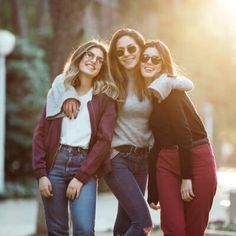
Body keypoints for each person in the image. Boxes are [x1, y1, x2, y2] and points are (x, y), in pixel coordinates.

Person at [60, 29, 194, 236]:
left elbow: (182, 82)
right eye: (120, 51)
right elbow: (76, 78)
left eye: (132, 48)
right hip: (117, 158)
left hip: (143, 160)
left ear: (141, 49)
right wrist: (70, 95)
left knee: (124, 226)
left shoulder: (152, 78)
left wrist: (179, 81)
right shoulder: (111, 78)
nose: (127, 54)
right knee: (143, 223)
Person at [32, 41, 118, 236]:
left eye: (99, 60)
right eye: (89, 55)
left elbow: (104, 142)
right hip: (54, 165)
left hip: (84, 164)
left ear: (102, 68)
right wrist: (41, 174)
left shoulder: (105, 99)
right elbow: (41, 133)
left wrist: (81, 177)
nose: (93, 61)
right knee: (57, 230)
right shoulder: (59, 90)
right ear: (79, 57)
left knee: (85, 230)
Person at [140, 40, 217, 236]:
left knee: (194, 229)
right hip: (166, 160)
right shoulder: (150, 93)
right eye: (145, 57)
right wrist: (153, 191)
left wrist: (186, 177)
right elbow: (156, 142)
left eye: (155, 59)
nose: (149, 62)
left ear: (163, 63)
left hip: (197, 158)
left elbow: (185, 134)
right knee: (173, 228)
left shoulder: (170, 89)